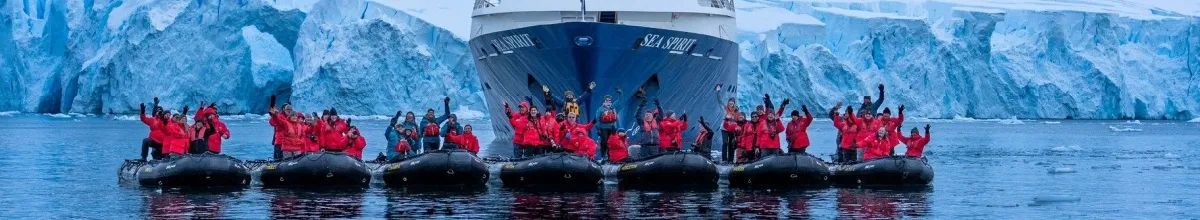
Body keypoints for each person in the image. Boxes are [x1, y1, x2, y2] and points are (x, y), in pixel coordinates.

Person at [595, 88, 622, 161]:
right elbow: (597, 119)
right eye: (607, 100)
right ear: (604, 101)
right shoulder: (600, 109)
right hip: (603, 128)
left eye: (609, 100)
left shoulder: (612, 107)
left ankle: (611, 157)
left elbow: (619, 101)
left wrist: (620, 94)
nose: (608, 101)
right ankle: (603, 157)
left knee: (612, 142)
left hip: (612, 128)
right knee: (604, 142)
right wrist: (598, 129)